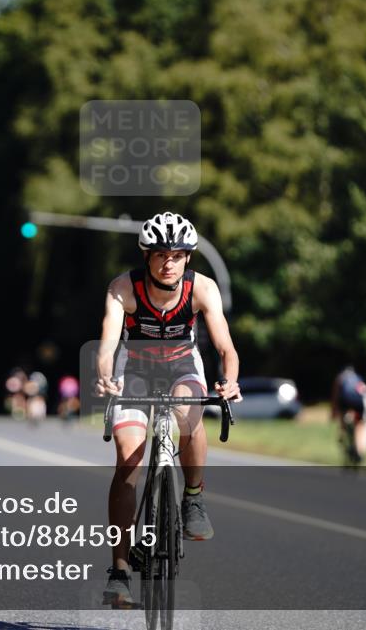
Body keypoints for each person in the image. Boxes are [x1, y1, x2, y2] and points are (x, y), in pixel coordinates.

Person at [95, 212, 242, 608]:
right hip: (136, 369)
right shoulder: (123, 288)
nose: (169, 261)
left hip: (181, 366)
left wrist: (229, 381)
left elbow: (226, 347)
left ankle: (193, 497)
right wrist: (106, 375)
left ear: (189, 258)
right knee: (128, 458)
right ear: (147, 256)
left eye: (178, 254)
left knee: (190, 417)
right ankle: (120, 570)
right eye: (161, 254)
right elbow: (108, 343)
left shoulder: (202, 289)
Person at [330, 365, 366, 463]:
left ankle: (342, 434)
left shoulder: (340, 377)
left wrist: (334, 412)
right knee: (359, 425)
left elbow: (336, 395)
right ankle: (360, 451)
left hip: (346, 401)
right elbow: (365, 392)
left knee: (343, 418)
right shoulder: (358, 377)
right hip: (360, 402)